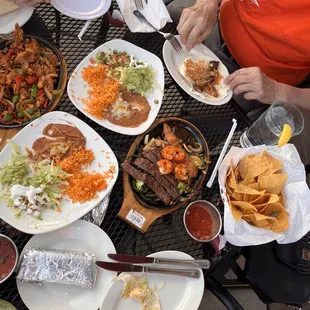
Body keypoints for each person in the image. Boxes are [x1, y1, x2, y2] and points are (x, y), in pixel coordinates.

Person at [169, 0, 310, 115]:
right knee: (154, 29)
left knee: (185, 128)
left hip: (251, 84)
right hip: (213, 28)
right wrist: (207, 3)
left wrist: (278, 91)